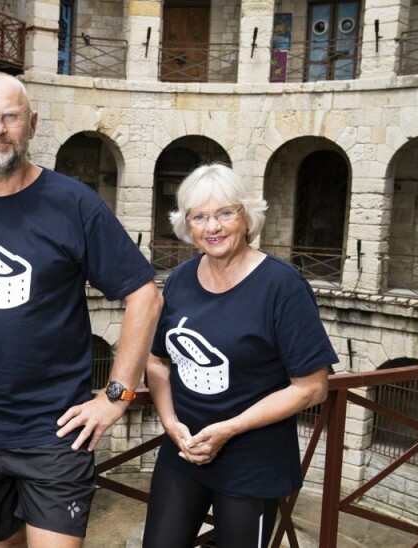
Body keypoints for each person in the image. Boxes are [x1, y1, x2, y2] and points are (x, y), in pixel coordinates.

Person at [0, 71, 162, 548]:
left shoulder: (73, 203)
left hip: (55, 429)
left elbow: (145, 295)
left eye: (10, 116)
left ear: (32, 124)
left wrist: (117, 395)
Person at [143, 163, 337, 547]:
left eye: (225, 213)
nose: (212, 227)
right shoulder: (180, 278)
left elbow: (312, 388)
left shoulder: (282, 286)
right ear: (187, 225)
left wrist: (229, 428)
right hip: (183, 451)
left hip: (252, 462)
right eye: (199, 217)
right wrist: (170, 422)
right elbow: (157, 361)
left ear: (247, 217)